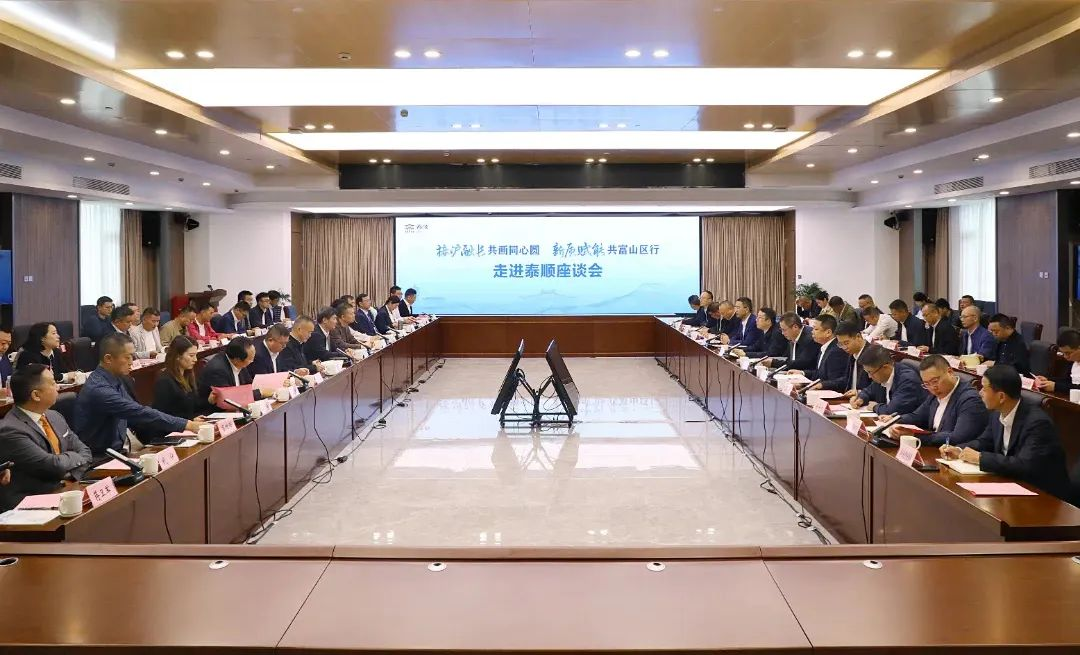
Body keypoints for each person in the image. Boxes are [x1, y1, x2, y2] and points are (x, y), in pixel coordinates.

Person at [940, 365, 1070, 500]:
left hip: (1043, 496)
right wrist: (959, 450)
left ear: (1001, 396)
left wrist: (980, 458)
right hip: (1013, 485)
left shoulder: (1037, 423)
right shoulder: (997, 413)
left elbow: (1025, 465)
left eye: (984, 388)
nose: (980, 393)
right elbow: (984, 442)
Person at [73, 333, 204, 456]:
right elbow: (138, 412)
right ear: (108, 359)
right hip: (99, 457)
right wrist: (187, 424)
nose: (132, 361)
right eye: (127, 357)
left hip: (118, 449)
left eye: (133, 356)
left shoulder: (116, 379)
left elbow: (137, 414)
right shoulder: (99, 390)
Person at [0, 364, 92, 511]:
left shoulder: (54, 416)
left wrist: (71, 475)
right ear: (36, 395)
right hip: (31, 506)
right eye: (52, 383)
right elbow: (53, 466)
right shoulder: (10, 430)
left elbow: (85, 452)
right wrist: (73, 459)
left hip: (65, 490)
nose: (58, 387)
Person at [890, 355, 989, 446]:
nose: (932, 387)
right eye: (926, 384)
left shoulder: (970, 400)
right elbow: (917, 416)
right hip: (933, 449)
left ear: (950, 372)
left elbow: (958, 437)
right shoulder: (935, 393)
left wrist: (916, 436)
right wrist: (893, 420)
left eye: (935, 381)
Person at [151, 336, 212, 425]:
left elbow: (192, 406)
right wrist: (190, 420)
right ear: (178, 356)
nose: (195, 359)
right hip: (175, 428)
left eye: (195, 355)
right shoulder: (164, 381)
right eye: (191, 355)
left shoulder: (188, 376)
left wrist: (209, 401)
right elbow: (163, 416)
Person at [852, 345, 927, 415]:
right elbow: (869, 391)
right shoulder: (880, 375)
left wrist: (875, 407)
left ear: (886, 367)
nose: (869, 376)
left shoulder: (908, 380)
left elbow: (894, 410)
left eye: (870, 372)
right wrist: (861, 398)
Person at [197, 336, 273, 404]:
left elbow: (249, 384)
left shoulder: (239, 361)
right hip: (217, 411)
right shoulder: (217, 370)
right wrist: (260, 393)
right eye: (250, 359)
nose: (252, 361)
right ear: (237, 360)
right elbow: (230, 398)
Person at [789, 315, 848, 392]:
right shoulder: (824, 347)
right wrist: (802, 373)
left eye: (816, 329)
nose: (812, 331)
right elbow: (819, 374)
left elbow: (836, 382)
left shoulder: (836, 351)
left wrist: (809, 385)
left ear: (828, 332)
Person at [1035, 329, 1080, 393]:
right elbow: (1068, 380)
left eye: (1068, 353)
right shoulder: (1072, 362)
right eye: (1063, 353)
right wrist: (1048, 380)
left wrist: (1056, 387)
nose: (1065, 356)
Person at [835, 321, 872, 394]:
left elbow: (876, 387)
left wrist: (860, 393)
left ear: (858, 336)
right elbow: (846, 380)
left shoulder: (872, 354)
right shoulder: (852, 354)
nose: (844, 347)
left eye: (846, 343)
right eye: (840, 344)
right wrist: (823, 384)